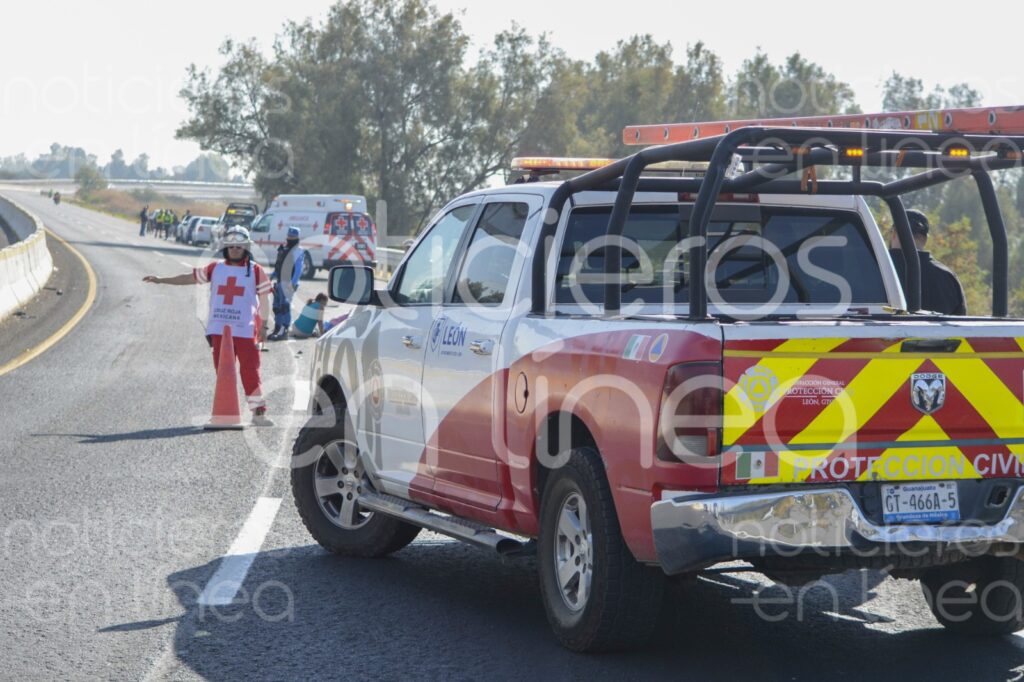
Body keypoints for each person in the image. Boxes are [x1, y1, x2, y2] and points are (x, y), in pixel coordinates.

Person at [141, 226, 274, 425]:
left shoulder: (256, 270)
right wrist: (162, 280)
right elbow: (189, 278)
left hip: (245, 330)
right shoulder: (215, 268)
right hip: (219, 330)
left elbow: (264, 300)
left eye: (239, 246)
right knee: (223, 372)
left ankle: (258, 413)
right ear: (225, 248)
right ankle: (225, 410)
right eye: (231, 246)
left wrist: (264, 326)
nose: (235, 249)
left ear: (246, 247)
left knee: (251, 370)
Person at [889, 209, 967, 315]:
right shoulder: (947, 277)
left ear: (893, 233)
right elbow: (960, 322)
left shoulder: (873, 268)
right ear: (925, 239)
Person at [268, 226, 305, 340]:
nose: (290, 238)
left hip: (288, 283)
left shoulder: (298, 250)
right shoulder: (283, 248)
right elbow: (279, 264)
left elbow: (298, 269)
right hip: (280, 281)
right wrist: (273, 275)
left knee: (285, 306)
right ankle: (277, 328)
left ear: (297, 238)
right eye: (289, 236)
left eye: (293, 237)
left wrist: (292, 283)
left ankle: (284, 331)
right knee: (276, 307)